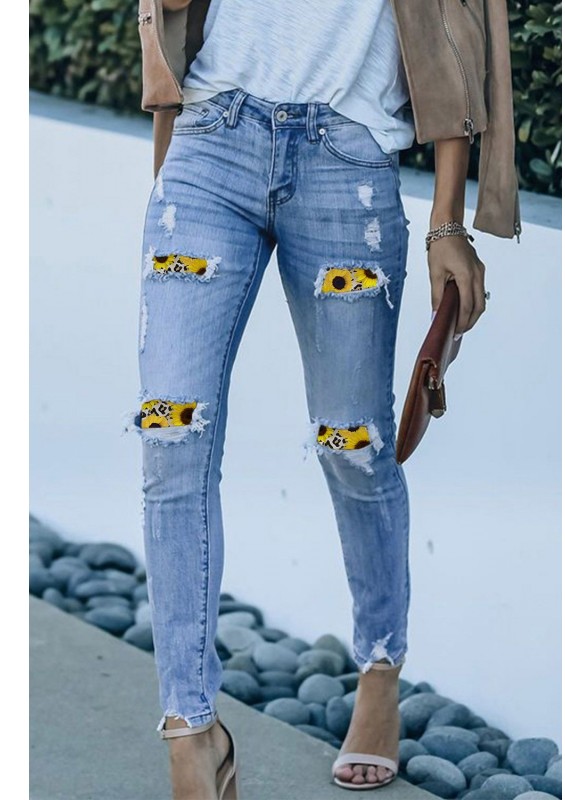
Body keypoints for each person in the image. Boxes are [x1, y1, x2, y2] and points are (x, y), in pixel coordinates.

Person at [126, 0, 519, 796]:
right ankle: (190, 733)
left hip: (348, 150)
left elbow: (456, 20)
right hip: (211, 139)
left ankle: (379, 667)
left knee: (354, 444)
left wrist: (447, 221)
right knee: (171, 441)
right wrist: (168, 143)